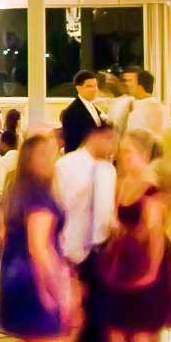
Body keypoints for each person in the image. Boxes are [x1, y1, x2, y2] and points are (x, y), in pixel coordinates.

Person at [0, 131, 76, 342]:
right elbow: (39, 246)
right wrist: (57, 286)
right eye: (50, 153)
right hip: (34, 278)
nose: (55, 158)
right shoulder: (41, 198)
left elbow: (4, 235)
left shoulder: (17, 190)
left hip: (14, 274)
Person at [96, 131, 171, 342]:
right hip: (122, 262)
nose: (123, 156)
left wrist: (151, 272)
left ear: (143, 153)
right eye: (123, 151)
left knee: (141, 336)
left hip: (143, 266)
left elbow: (155, 237)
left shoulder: (151, 187)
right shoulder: (126, 182)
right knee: (116, 331)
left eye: (128, 151)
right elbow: (120, 219)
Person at [56, 122, 118, 291]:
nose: (113, 148)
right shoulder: (67, 164)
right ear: (96, 137)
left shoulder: (108, 171)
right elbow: (58, 203)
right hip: (71, 246)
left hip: (100, 251)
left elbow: (108, 208)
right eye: (110, 141)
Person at [60, 70, 107, 153]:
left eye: (95, 86)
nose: (94, 89)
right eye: (89, 86)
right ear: (78, 88)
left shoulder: (94, 107)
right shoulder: (71, 113)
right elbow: (71, 146)